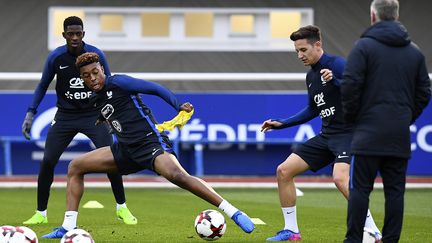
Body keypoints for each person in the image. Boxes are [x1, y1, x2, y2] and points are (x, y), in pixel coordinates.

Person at [42, 52, 255, 238]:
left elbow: (154, 88)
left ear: (102, 70)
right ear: (82, 79)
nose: (92, 78)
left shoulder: (119, 82)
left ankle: (233, 212)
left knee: (178, 177)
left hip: (150, 144)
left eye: (95, 72)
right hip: (125, 150)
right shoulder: (95, 98)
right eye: (86, 76)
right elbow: (111, 112)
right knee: (75, 167)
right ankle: (68, 227)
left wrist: (177, 104)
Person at [261, 25, 381, 241]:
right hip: (327, 136)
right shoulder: (311, 77)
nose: (300, 55)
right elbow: (313, 109)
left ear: (318, 45)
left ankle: (372, 230)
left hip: (349, 134)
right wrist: (282, 123)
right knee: (284, 171)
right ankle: (291, 231)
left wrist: (335, 81)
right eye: (297, 51)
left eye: (304, 50)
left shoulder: (338, 65)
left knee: (340, 179)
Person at [21, 16, 137, 225]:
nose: (74, 37)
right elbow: (42, 85)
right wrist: (31, 112)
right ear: (64, 35)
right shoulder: (56, 57)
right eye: (70, 34)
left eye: (78, 33)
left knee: (113, 159)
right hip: (65, 116)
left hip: (94, 116)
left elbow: (108, 85)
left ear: (83, 34)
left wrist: (111, 116)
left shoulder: (95, 55)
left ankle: (122, 207)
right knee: (48, 161)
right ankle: (41, 213)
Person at [341, 0, 431, 242]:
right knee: (395, 193)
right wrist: (405, 118)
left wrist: (354, 118)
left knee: (360, 190)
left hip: (367, 133)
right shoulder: (414, 51)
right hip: (398, 134)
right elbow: (425, 92)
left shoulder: (363, 47)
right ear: (397, 15)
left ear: (373, 16)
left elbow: (349, 86)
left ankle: (353, 240)